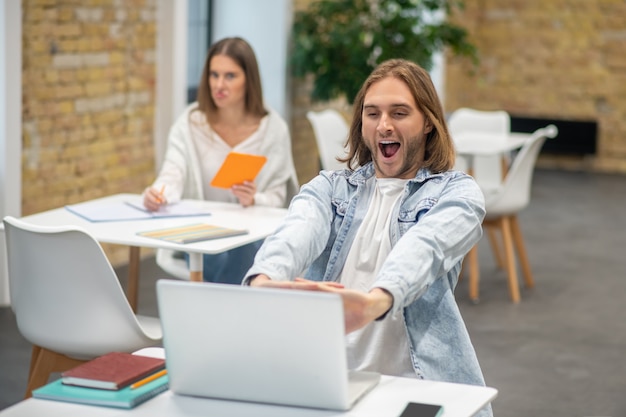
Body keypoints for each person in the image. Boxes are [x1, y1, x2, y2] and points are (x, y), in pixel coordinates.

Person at [244, 59, 493, 416]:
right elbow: (297, 231)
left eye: (400, 112)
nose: (384, 125)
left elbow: (426, 248)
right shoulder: (330, 188)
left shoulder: (457, 194)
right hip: (330, 381)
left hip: (416, 385)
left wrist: (378, 300)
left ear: (427, 123)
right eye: (372, 113)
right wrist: (264, 280)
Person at [144, 37, 298, 283]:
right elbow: (172, 173)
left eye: (230, 76)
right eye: (213, 75)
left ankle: (218, 310)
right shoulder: (190, 123)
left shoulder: (273, 129)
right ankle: (234, 310)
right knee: (218, 257)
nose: (219, 85)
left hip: (251, 236)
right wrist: (158, 193)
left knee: (247, 249)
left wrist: (254, 198)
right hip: (202, 236)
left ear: (249, 79)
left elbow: (278, 198)